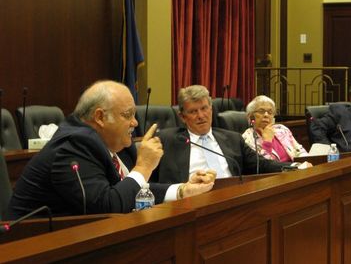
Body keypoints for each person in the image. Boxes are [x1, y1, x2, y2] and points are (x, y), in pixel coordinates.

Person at [8, 80, 214, 219]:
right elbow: (107, 206)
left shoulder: (115, 144)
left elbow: (130, 190)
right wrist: (143, 166)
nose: (135, 122)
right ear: (100, 117)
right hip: (34, 246)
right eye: (127, 115)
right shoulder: (73, 146)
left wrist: (182, 189)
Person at [151, 85, 306, 184]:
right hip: (191, 205)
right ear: (182, 116)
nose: (201, 115)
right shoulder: (167, 141)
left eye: (204, 108)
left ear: (211, 109)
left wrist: (294, 166)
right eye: (193, 111)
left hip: (233, 201)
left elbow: (261, 164)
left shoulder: (232, 139)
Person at [242, 95, 308, 162]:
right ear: (251, 116)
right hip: (276, 171)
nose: (266, 115)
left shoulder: (282, 129)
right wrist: (267, 142)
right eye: (261, 111)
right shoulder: (247, 138)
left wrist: (307, 162)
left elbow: (299, 151)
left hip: (294, 169)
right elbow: (262, 166)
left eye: (270, 112)